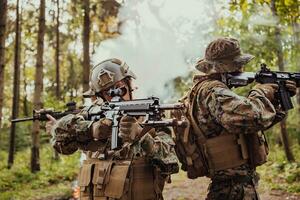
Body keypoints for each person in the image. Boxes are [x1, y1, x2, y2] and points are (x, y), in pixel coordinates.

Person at [173, 37, 297, 200]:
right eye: (237, 65)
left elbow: (247, 126)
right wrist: (262, 92)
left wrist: (277, 99)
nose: (241, 68)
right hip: (233, 190)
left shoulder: (206, 90)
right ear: (224, 68)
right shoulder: (213, 91)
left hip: (233, 187)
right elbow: (252, 117)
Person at [47, 58, 178, 200]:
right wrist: (91, 129)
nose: (117, 95)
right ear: (100, 96)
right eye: (108, 93)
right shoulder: (93, 116)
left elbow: (171, 163)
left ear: (130, 84)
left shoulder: (151, 117)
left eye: (120, 88)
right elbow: (60, 142)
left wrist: (142, 137)